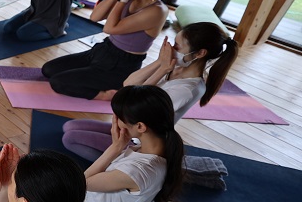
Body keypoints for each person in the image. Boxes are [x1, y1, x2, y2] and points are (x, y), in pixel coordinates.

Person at [62, 23, 239, 161]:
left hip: (141, 143)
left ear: (200, 53)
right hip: (130, 129)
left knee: (70, 138)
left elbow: (132, 101)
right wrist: (160, 64)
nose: (171, 49)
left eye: (177, 47)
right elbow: (128, 84)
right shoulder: (174, 67)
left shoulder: (188, 89)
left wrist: (162, 69)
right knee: (69, 126)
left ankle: (118, 165)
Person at [79, 85, 184, 202]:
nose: (115, 120)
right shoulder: (152, 148)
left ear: (141, 127)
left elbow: (82, 183)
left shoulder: (140, 170)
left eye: (118, 117)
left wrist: (115, 147)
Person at [41, 0, 175, 100]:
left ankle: (105, 95)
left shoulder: (157, 11)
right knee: (49, 69)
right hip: (102, 50)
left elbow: (109, 28)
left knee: (58, 82)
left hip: (121, 65)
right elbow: (95, 17)